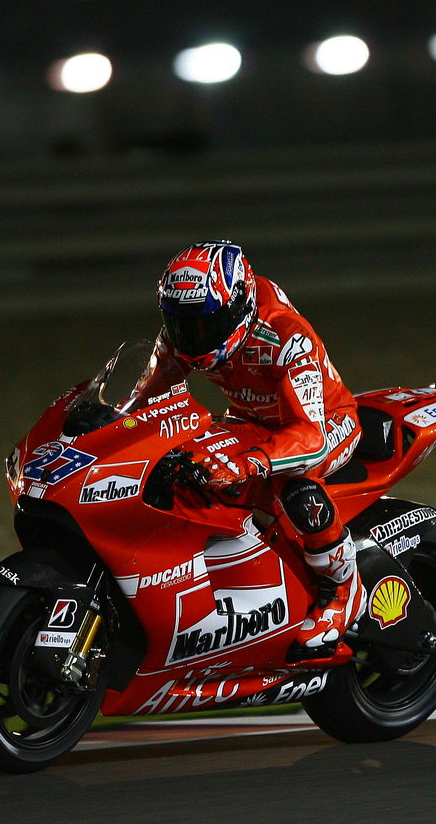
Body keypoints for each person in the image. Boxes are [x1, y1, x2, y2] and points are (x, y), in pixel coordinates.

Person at [156, 240, 365, 657]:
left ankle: (343, 592)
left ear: (237, 309)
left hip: (325, 422)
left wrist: (253, 462)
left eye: (206, 324)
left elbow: (310, 435)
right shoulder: (182, 333)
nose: (192, 337)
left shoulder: (287, 338)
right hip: (251, 421)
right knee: (182, 465)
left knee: (293, 486)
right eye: (182, 324)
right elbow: (150, 395)